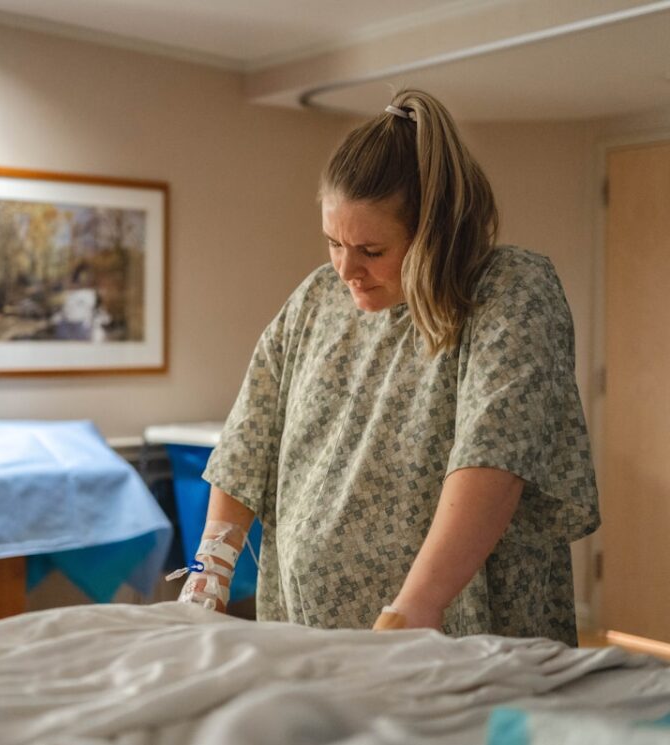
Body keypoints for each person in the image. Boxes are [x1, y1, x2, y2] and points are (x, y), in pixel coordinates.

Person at [175, 89, 600, 645]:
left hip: (449, 632)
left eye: (372, 251)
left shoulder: (507, 293)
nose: (347, 269)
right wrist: (209, 572)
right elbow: (251, 435)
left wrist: (413, 609)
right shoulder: (317, 298)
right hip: (309, 627)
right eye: (333, 243)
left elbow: (494, 457)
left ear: (437, 232)